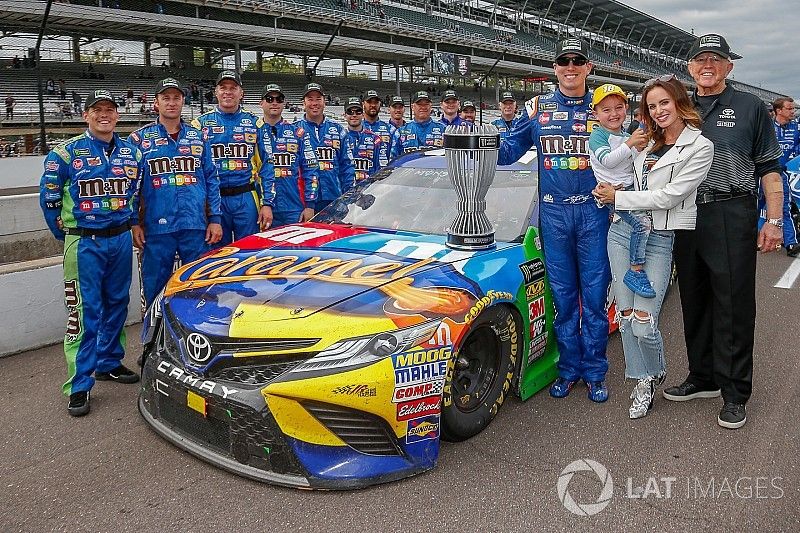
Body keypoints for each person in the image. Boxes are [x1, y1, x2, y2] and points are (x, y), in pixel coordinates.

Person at [663, 34, 784, 429]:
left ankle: (734, 392)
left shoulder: (750, 107)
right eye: (701, 59)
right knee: (694, 298)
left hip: (732, 210)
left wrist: (775, 219)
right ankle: (703, 377)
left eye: (716, 58)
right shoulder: (680, 107)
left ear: (729, 66)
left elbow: (769, 167)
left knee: (732, 302)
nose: (708, 65)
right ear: (690, 67)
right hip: (685, 213)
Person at [593, 76, 713, 419]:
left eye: (664, 103)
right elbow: (611, 162)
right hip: (620, 232)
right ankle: (642, 380)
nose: (659, 110)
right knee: (627, 317)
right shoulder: (644, 140)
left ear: (678, 102)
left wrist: (619, 197)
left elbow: (670, 196)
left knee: (645, 322)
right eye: (652, 105)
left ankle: (655, 369)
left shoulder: (700, 147)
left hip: (658, 238)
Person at [499, 37, 611, 402]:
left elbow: (634, 145)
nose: (571, 67)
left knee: (593, 299)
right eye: (564, 61)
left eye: (578, 60)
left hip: (594, 213)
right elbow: (508, 150)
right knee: (563, 298)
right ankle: (568, 369)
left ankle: (595, 372)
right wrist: (472, 142)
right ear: (555, 67)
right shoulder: (538, 108)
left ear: (588, 68)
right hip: (554, 212)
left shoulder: (603, 108)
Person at [39, 89, 143, 417]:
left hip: (120, 239)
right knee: (84, 313)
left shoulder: (132, 152)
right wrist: (70, 234)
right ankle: (79, 383)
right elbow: (49, 202)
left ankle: (109, 362)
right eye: (97, 109)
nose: (104, 115)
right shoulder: (65, 154)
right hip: (84, 242)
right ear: (86, 115)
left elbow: (136, 194)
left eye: (110, 109)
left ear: (117, 114)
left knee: (117, 303)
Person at [128, 78, 223, 308]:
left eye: (176, 98)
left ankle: (196, 339)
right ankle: (152, 341)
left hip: (195, 226)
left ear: (183, 101)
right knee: (154, 290)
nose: (171, 103)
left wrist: (215, 219)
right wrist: (133, 222)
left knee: (200, 287)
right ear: (156, 103)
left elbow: (212, 180)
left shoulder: (199, 137)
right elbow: (131, 186)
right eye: (166, 98)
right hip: (156, 228)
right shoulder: (138, 140)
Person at [191, 70, 274, 245]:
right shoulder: (199, 125)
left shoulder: (256, 123)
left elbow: (267, 166)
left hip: (246, 197)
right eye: (223, 87)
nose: (228, 92)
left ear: (241, 93)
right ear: (216, 91)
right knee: (217, 254)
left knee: (250, 250)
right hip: (214, 199)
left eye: (233, 88)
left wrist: (267, 203)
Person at [589, 84, 653, 298]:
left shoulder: (625, 134)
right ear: (595, 113)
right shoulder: (597, 136)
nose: (613, 114)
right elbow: (607, 161)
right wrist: (630, 144)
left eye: (618, 107)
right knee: (642, 225)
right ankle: (635, 270)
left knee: (644, 224)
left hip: (629, 191)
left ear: (626, 108)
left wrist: (639, 148)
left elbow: (631, 163)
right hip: (613, 194)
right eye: (606, 110)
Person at [258, 83, 319, 227]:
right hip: (262, 207)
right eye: (269, 99)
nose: (274, 102)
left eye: (279, 99)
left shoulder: (298, 133)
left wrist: (310, 205)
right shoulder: (253, 132)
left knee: (296, 249)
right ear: (261, 103)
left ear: (284, 103)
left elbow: (311, 169)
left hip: (294, 207)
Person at [294, 82, 354, 212]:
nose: (314, 103)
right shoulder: (294, 130)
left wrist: (348, 197)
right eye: (310, 99)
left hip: (334, 198)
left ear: (324, 102)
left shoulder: (338, 130)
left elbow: (347, 166)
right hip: (304, 202)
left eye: (318, 99)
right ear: (303, 103)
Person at [760, 97, 800, 256]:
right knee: (756, 205)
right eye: (790, 109)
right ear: (779, 111)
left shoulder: (797, 127)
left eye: (794, 109)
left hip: (782, 174)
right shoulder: (766, 126)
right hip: (760, 172)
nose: (793, 112)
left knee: (783, 207)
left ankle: (791, 242)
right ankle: (756, 239)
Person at [390, 90, 446, 159]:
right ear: (412, 107)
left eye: (426, 104)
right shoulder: (401, 131)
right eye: (419, 104)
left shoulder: (443, 129)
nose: (423, 107)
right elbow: (393, 160)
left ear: (431, 107)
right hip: (408, 169)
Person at [344, 97, 382, 182]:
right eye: (350, 112)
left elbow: (378, 168)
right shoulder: (341, 138)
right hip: (345, 190)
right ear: (345, 115)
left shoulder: (375, 139)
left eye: (358, 112)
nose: (354, 115)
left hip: (368, 189)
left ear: (363, 114)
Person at [362, 89, 392, 169]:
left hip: (383, 177)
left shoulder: (390, 129)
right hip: (361, 177)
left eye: (376, 102)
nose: (373, 105)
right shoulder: (357, 129)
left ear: (380, 104)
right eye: (369, 102)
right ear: (363, 104)